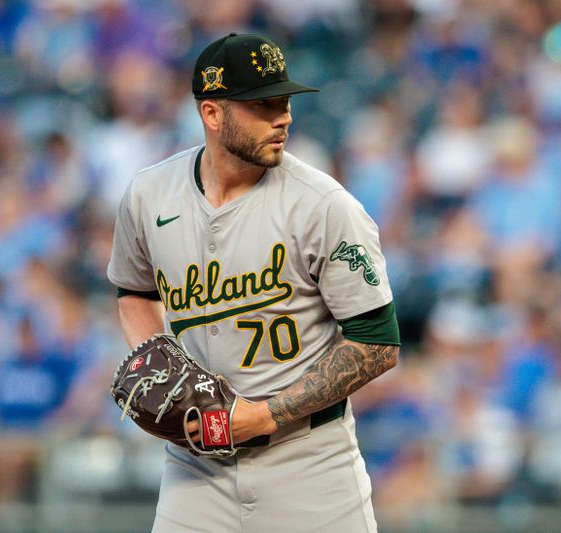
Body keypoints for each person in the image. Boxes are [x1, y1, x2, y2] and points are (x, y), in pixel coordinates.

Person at [106, 33, 400, 533]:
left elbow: (377, 344)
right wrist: (162, 361)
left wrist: (264, 415)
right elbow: (134, 291)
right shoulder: (148, 195)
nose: (282, 117)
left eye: (284, 102)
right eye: (263, 105)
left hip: (309, 464)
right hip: (196, 469)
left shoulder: (324, 206)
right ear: (212, 114)